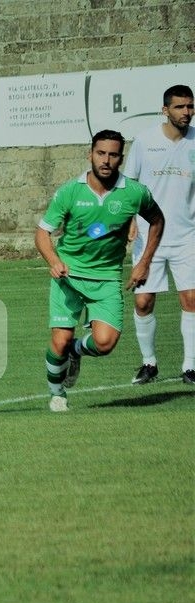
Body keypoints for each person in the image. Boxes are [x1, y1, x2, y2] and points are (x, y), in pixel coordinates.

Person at [36, 130, 164, 412]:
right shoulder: (70, 191)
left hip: (106, 279)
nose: (106, 160)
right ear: (90, 154)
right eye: (100, 153)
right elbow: (42, 233)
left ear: (121, 158)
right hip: (68, 277)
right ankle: (57, 394)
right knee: (59, 340)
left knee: (105, 343)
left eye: (113, 154)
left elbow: (157, 220)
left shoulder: (134, 192)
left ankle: (76, 352)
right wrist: (53, 261)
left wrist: (144, 262)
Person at [122, 84, 195, 385]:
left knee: (191, 299)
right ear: (165, 110)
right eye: (179, 107)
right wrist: (129, 221)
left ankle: (190, 366)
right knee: (143, 302)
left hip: (188, 235)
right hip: (149, 237)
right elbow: (127, 183)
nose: (186, 112)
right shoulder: (144, 141)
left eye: (190, 106)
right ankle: (148, 363)